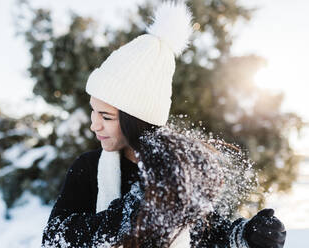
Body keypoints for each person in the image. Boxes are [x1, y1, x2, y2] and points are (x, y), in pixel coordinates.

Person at [41, 2, 286, 247]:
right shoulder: (88, 168)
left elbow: (204, 232)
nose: (94, 125)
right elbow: (54, 238)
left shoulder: (175, 172)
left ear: (135, 120)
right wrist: (130, 215)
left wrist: (246, 235)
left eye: (106, 117)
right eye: (93, 111)